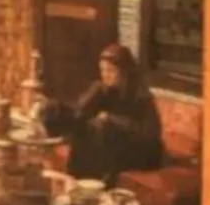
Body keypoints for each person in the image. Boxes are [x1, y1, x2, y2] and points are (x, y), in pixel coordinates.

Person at [50, 43, 165, 184]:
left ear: (124, 72)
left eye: (111, 71)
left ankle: (98, 185)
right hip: (112, 142)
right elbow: (79, 113)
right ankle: (76, 180)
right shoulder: (104, 89)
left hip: (141, 150)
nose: (105, 75)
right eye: (102, 70)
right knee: (83, 127)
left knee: (101, 128)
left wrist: (113, 120)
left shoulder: (139, 94)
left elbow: (150, 133)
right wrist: (57, 109)